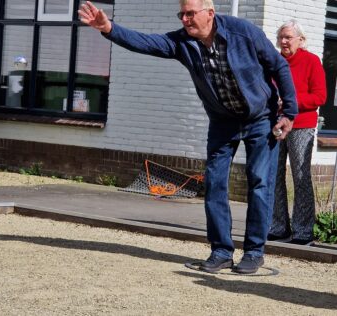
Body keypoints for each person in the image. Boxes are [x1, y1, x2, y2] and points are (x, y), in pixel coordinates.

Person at [78, 0, 298, 274]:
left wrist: (288, 112)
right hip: (223, 122)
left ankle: (254, 252)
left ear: (210, 13)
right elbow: (147, 42)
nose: (184, 19)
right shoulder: (183, 43)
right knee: (215, 184)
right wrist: (109, 28)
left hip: (260, 118)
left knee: (259, 183)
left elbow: (279, 66)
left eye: (190, 13)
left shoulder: (243, 32)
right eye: (181, 14)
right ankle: (221, 251)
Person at [268, 20, 327, 245]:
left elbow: (320, 97)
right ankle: (278, 226)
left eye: (288, 37)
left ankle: (303, 231)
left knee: (301, 177)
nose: (283, 41)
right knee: (273, 175)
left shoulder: (311, 61)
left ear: (300, 40)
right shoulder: (274, 62)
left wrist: (290, 102)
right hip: (274, 123)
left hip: (302, 124)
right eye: (281, 37)